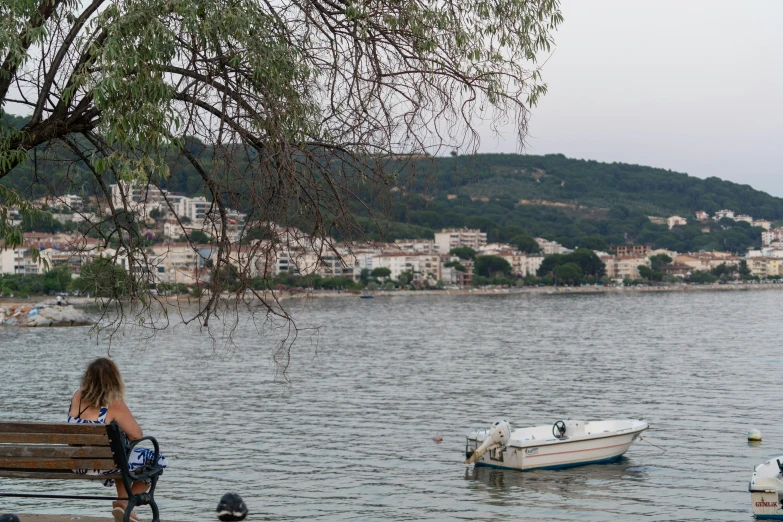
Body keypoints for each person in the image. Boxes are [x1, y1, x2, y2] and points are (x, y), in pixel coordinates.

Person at [67, 358, 168, 522]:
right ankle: (126, 503)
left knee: (120, 454)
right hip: (103, 465)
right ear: (114, 379)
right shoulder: (114, 404)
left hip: (77, 464)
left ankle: (122, 504)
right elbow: (137, 435)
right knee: (156, 459)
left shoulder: (77, 396)